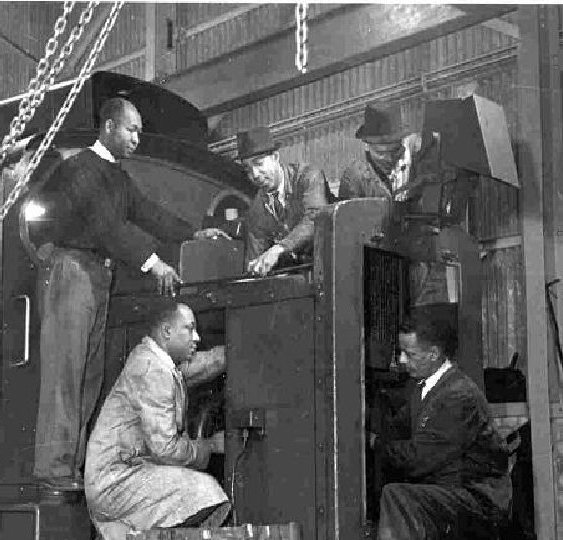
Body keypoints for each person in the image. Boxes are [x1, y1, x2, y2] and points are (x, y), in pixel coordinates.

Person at [31, 97, 194, 491]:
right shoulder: (80, 169)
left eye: (139, 132)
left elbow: (149, 213)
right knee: (66, 375)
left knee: (87, 377)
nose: (137, 138)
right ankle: (53, 470)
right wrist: (154, 263)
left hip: (96, 276)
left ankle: (70, 469)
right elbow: (107, 227)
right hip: (72, 272)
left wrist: (195, 233)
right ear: (108, 127)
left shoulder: (117, 177)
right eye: (130, 129)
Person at [84, 301, 230, 538]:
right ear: (167, 331)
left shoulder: (156, 359)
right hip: (116, 480)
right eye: (189, 329)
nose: (196, 337)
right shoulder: (152, 368)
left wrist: (233, 351)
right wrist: (210, 445)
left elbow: (198, 368)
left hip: (122, 474)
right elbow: (165, 449)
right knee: (204, 492)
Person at [371, 303, 512, 540]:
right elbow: (396, 428)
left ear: (434, 354)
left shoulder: (459, 396)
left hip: (479, 500)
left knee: (397, 496)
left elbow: (418, 460)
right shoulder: (424, 389)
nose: (402, 360)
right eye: (401, 352)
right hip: (450, 491)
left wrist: (376, 443)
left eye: (410, 354)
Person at [197, 126, 331, 276]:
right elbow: (255, 256)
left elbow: (315, 218)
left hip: (330, 264)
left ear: (275, 157)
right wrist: (252, 272)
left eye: (259, 163)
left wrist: (279, 249)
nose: (254, 174)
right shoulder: (258, 209)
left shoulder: (308, 177)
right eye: (248, 169)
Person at [338, 102, 424, 201]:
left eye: (395, 151)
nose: (389, 159)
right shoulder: (354, 178)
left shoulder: (413, 166)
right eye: (381, 153)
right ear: (366, 146)